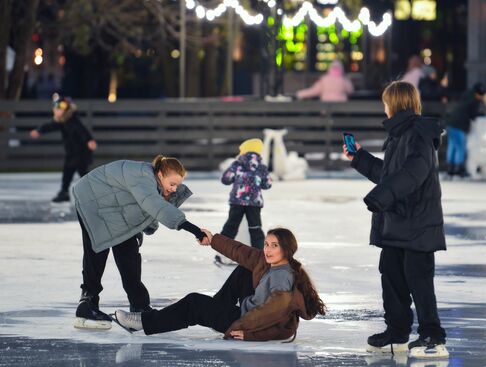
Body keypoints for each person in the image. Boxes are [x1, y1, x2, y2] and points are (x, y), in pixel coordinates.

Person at [343, 81, 448, 358]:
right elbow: (390, 177)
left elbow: (413, 174)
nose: (384, 107)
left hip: (418, 225)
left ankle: (432, 337)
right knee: (391, 277)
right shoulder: (398, 136)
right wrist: (359, 158)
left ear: (396, 103)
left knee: (419, 281)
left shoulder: (419, 135)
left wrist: (381, 197)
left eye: (386, 102)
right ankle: (397, 332)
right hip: (396, 223)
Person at [113, 227, 327, 342]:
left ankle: (143, 322)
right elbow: (241, 251)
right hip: (250, 308)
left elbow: (270, 319)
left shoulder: (282, 280)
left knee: (194, 303)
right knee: (245, 267)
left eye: (275, 246)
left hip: (252, 322)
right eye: (266, 244)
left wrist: (245, 332)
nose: (268, 250)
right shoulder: (270, 262)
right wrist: (213, 239)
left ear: (287, 250)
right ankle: (215, 310)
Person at [72, 155, 209, 330]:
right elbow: (154, 205)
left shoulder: (154, 182)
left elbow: (146, 206)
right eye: (172, 184)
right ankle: (87, 304)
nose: (175, 190)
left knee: (129, 255)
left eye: (177, 185)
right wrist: (194, 230)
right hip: (91, 199)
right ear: (160, 175)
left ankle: (139, 306)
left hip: (113, 205)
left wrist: (138, 227)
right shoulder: (143, 178)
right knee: (97, 251)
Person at [30, 94, 97, 202]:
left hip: (80, 153)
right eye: (57, 108)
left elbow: (82, 131)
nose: (58, 110)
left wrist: (89, 140)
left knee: (82, 173)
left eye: (61, 107)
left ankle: (94, 193)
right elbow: (50, 126)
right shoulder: (62, 121)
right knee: (68, 173)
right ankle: (64, 192)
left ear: (67, 109)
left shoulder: (73, 120)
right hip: (71, 153)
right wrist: (39, 130)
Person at [220, 138, 272, 251]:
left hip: (237, 201)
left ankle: (221, 251)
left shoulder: (237, 164)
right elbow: (267, 184)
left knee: (231, 226)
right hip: (254, 202)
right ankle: (260, 256)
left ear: (244, 151)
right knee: (255, 228)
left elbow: (225, 179)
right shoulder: (261, 166)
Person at [444, 82, 486, 177]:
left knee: (452, 146)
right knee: (460, 147)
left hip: (451, 122)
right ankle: (459, 168)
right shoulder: (474, 101)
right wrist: (480, 114)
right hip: (459, 125)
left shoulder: (466, 96)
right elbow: (473, 115)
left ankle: (450, 168)